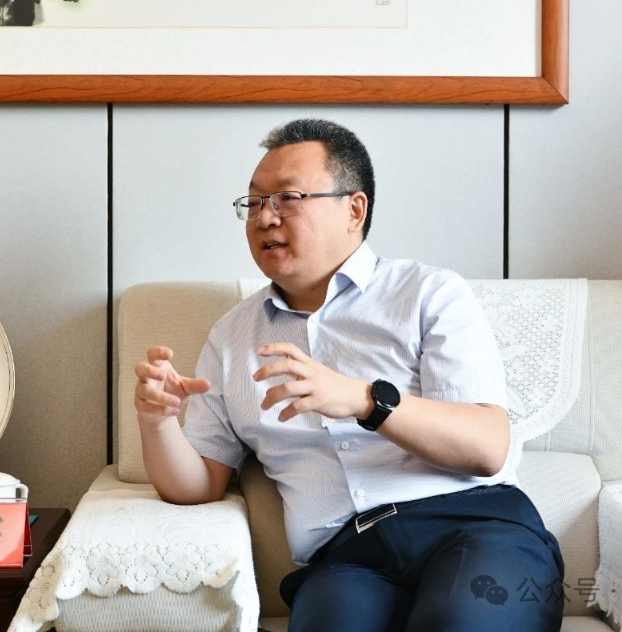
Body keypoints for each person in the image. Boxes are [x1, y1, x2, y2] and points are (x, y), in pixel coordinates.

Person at [134, 119, 564, 631]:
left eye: (287, 198)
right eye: (254, 202)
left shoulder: (427, 294)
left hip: (475, 527)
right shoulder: (231, 337)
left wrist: (366, 401)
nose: (265, 217)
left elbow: (487, 446)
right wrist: (157, 422)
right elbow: (200, 483)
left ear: (354, 210)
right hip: (346, 561)